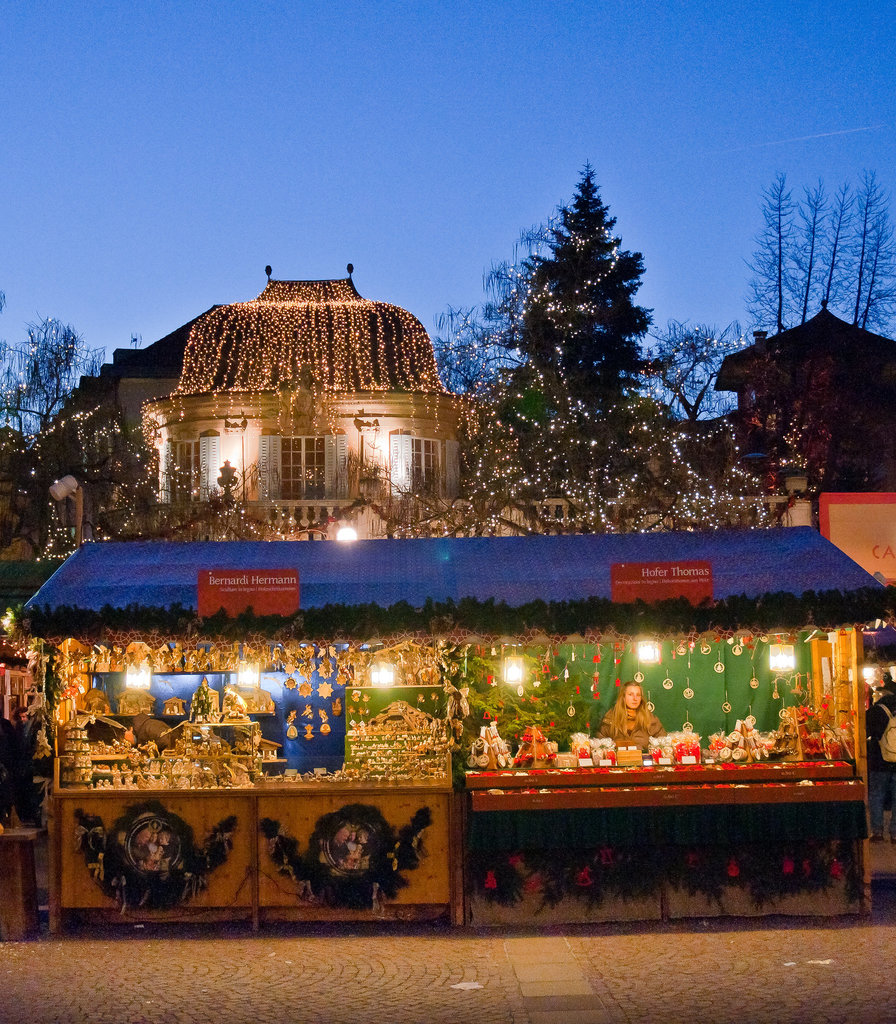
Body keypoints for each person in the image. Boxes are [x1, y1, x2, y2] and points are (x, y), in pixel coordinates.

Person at [867, 673, 896, 843]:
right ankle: (894, 833)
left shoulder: (877, 710)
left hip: (879, 762)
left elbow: (866, 733)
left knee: (877, 795)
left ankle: (877, 831)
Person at [598, 681, 665, 749]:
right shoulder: (610, 719)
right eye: (630, 694)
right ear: (623, 697)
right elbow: (600, 745)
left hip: (642, 759)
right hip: (618, 758)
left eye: (638, 695)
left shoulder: (650, 720)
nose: (635, 699)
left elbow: (663, 744)